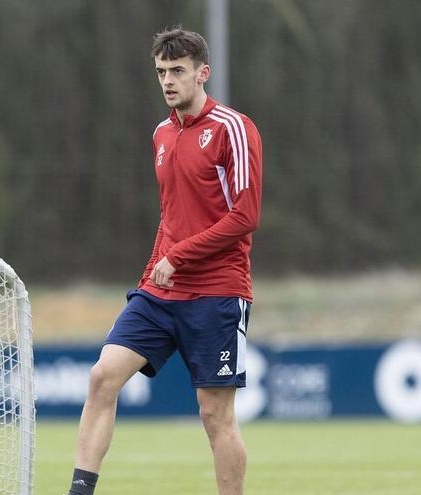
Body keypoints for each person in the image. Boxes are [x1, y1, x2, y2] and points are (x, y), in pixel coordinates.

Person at [66, 26, 262, 495]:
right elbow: (172, 216)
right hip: (160, 293)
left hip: (216, 292)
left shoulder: (232, 128)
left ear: (202, 73)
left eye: (177, 71)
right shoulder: (160, 134)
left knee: (215, 416)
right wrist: (153, 271)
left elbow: (245, 215)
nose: (168, 81)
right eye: (161, 72)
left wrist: (179, 255)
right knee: (102, 377)